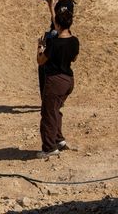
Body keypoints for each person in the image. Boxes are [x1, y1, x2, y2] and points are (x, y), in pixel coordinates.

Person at [36, 9, 79, 158]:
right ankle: (59, 140)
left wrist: (40, 48)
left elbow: (41, 61)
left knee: (48, 114)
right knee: (55, 110)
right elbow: (74, 59)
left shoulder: (54, 43)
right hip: (68, 80)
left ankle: (49, 148)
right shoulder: (74, 41)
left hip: (55, 81)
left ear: (58, 25)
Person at [38, 0, 75, 95]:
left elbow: (58, 23)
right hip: (55, 35)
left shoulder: (67, 4)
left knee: (46, 64)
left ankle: (50, 95)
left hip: (58, 37)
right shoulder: (61, 3)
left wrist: (51, 6)